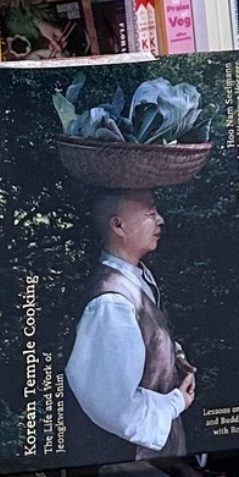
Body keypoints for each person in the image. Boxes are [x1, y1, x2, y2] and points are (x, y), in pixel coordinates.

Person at [64, 189, 196, 458]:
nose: (160, 220)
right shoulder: (111, 303)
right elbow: (112, 405)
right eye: (150, 213)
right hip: (137, 470)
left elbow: (146, 339)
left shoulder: (134, 278)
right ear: (118, 225)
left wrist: (174, 356)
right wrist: (175, 402)